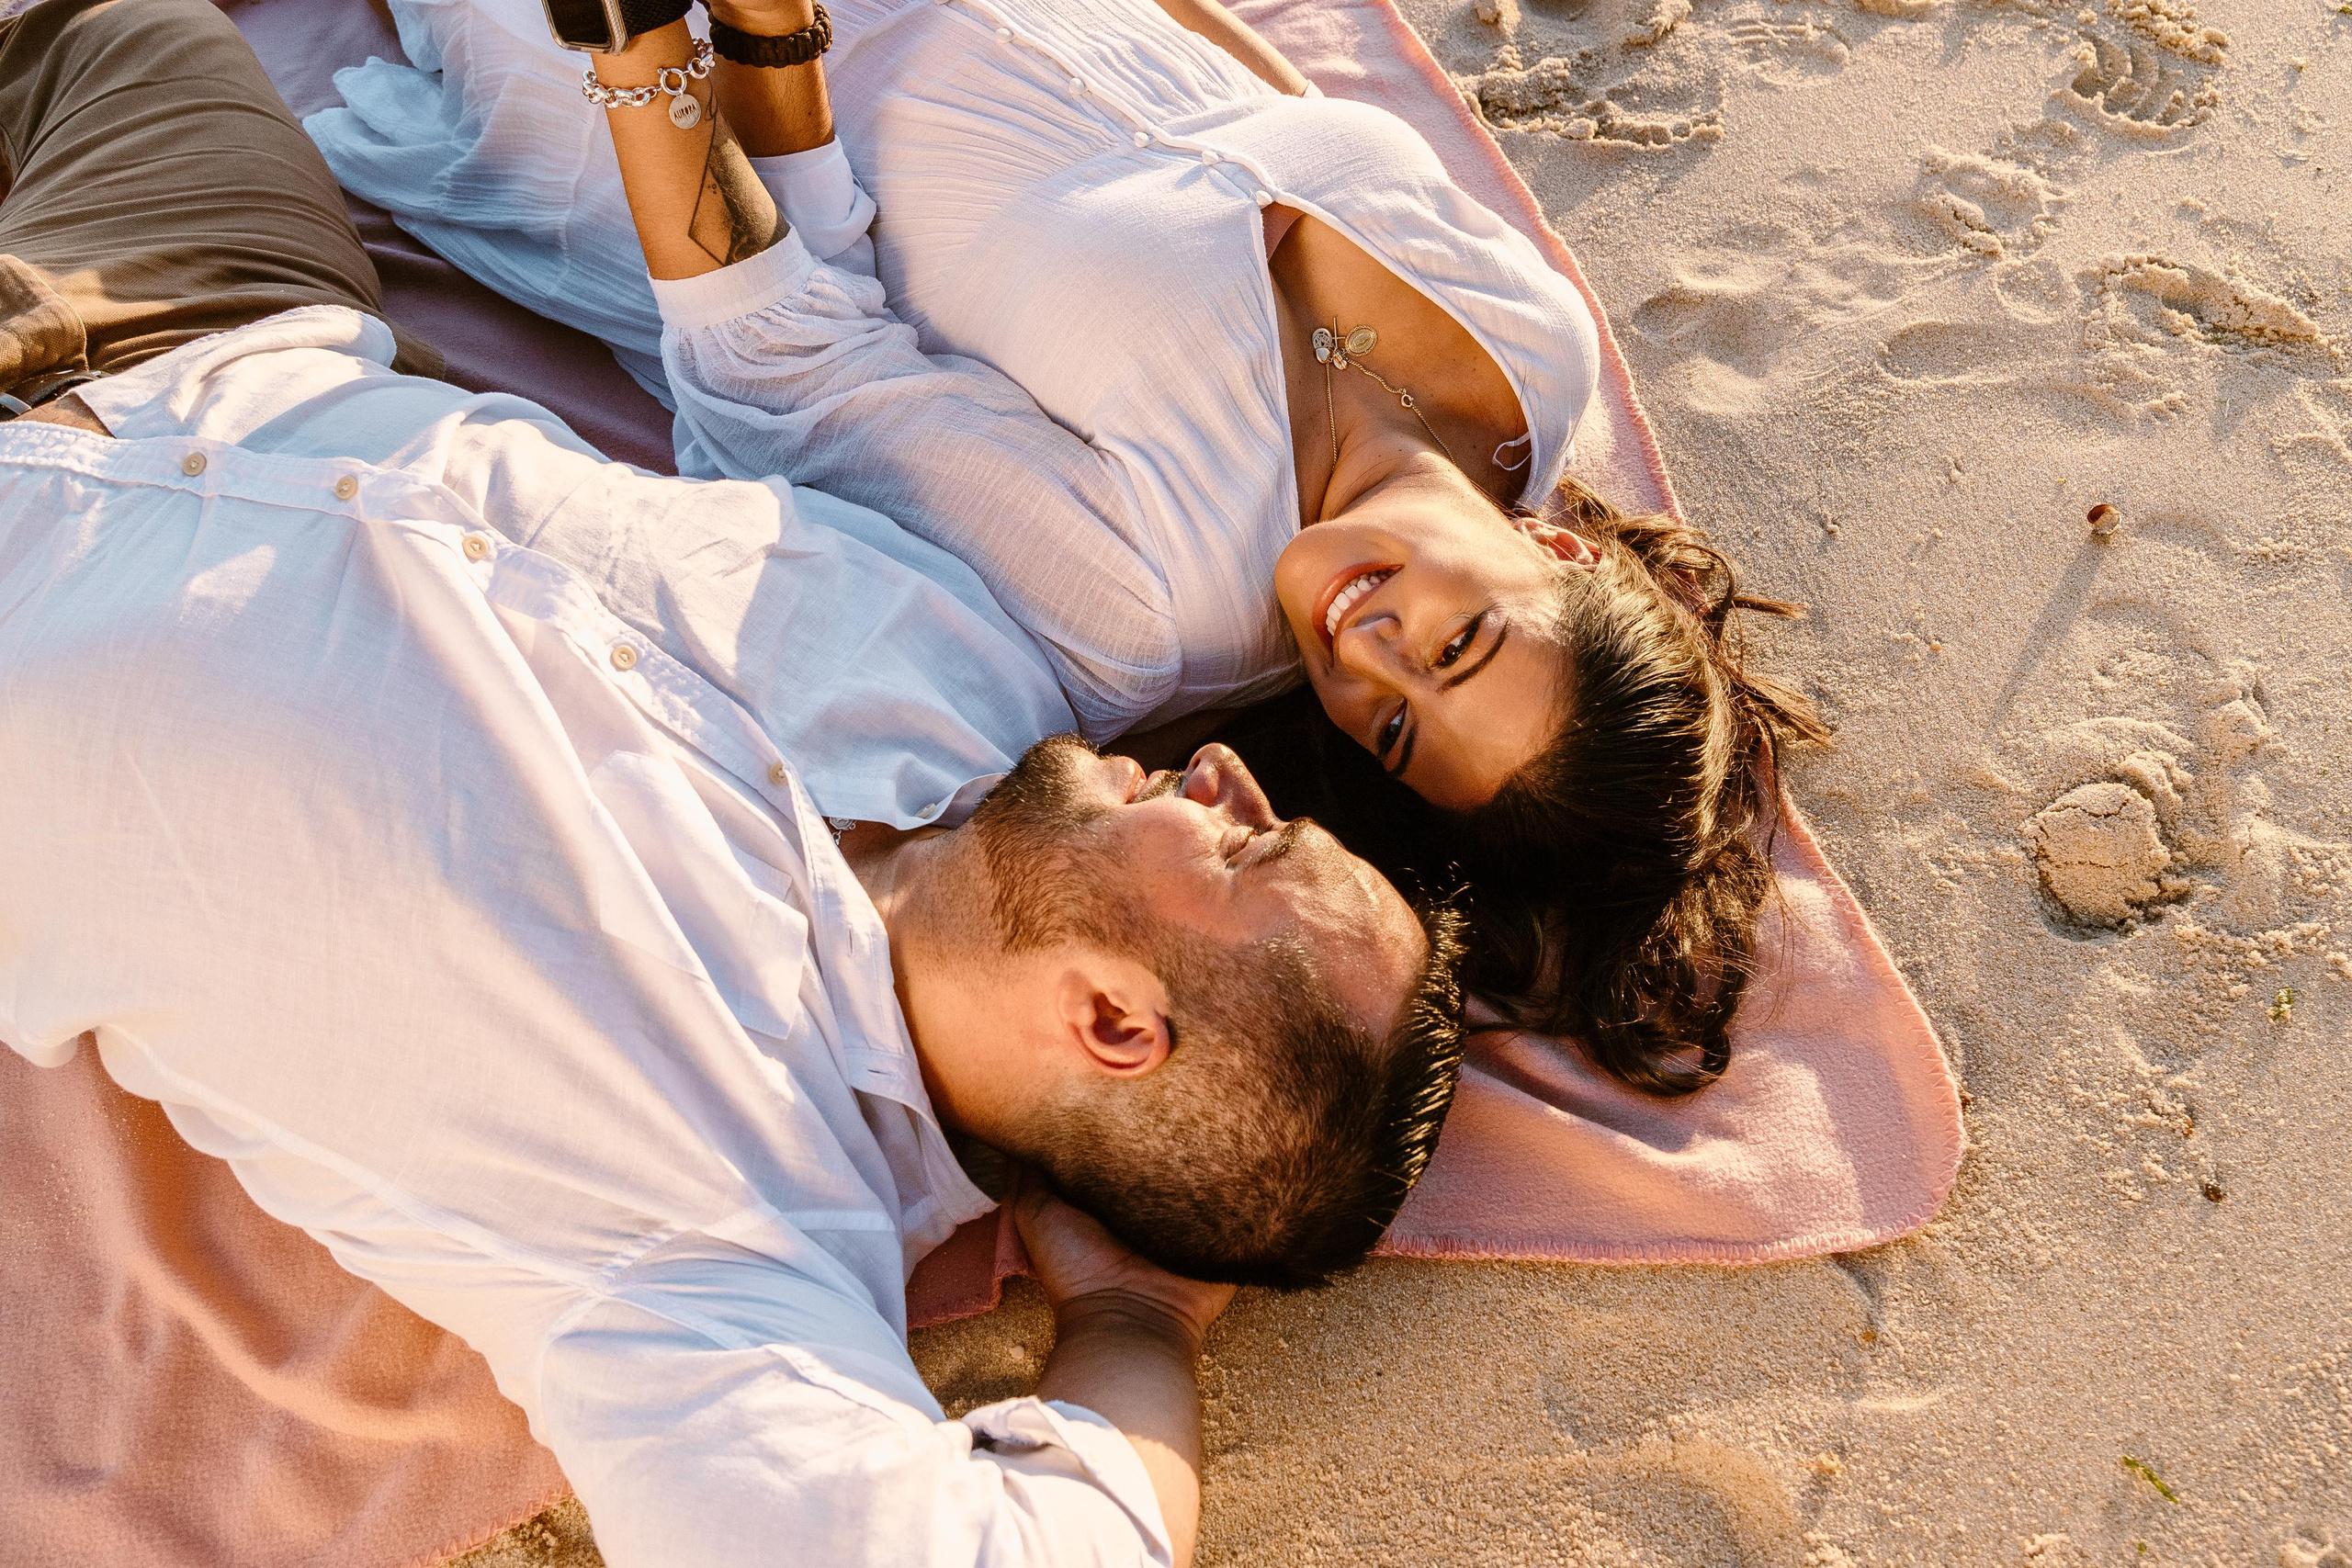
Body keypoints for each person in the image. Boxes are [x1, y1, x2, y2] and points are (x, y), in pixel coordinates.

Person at [0, 4, 1468, 1563]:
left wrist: (1131, 1325)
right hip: (220, 331)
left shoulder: (718, 1237)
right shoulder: (983, 677)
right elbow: (780, 362)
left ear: (1112, 1022)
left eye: (1248, 848)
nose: (1232, 773)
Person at [314, 0, 1828, 1094]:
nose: (1363, 651)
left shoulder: (1149, 607)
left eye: (1385, 727)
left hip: (666, 110)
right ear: (1564, 562)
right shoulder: (1534, 349)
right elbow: (1230, 82)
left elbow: (786, 362)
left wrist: (679, 46)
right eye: (1457, 648)